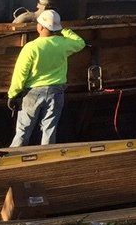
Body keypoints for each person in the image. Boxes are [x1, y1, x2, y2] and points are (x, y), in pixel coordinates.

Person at [8, 9, 86, 146]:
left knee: (23, 130)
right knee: (49, 130)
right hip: (56, 92)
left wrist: (13, 94)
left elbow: (20, 74)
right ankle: (47, 159)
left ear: (41, 27)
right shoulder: (62, 44)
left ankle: (15, 158)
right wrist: (64, 31)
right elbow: (80, 43)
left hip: (33, 93)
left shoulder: (31, 47)